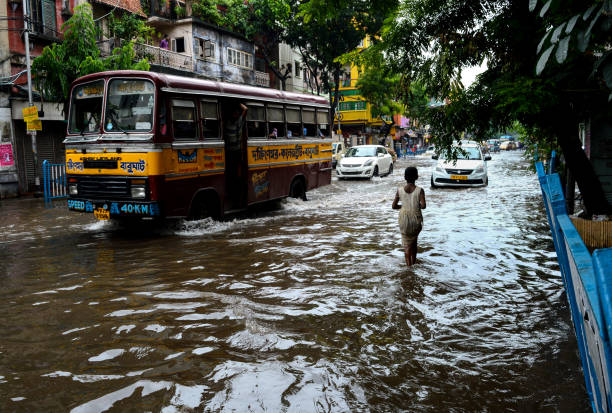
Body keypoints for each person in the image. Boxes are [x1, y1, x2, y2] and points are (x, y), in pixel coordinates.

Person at [392, 166, 426, 266]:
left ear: (404, 177)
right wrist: (415, 205)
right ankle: (414, 263)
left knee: (407, 245)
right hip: (415, 219)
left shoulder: (399, 190)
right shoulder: (420, 190)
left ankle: (408, 267)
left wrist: (403, 206)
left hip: (404, 219)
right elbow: (423, 206)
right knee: (414, 242)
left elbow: (394, 206)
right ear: (417, 177)